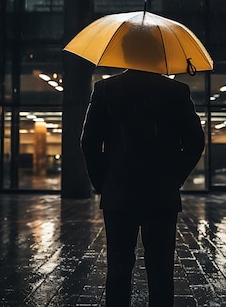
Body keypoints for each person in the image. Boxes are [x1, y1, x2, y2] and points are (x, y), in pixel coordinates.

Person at [80, 31, 205, 306]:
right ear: (156, 54)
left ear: (125, 53)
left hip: (119, 192)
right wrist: (174, 177)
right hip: (161, 193)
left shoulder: (106, 89)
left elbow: (89, 142)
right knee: (161, 270)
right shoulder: (176, 91)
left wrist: (104, 182)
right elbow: (195, 142)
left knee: (119, 268)